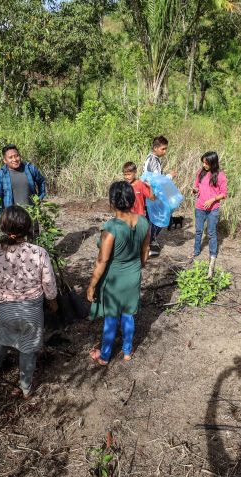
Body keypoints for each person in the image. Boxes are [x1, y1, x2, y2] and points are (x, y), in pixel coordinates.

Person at [0, 206, 58, 398]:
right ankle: (25, 386)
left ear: (2, 227)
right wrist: (52, 301)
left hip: (4, 309)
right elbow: (48, 281)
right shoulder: (39, 252)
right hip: (31, 310)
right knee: (28, 349)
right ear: (28, 228)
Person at [87, 181, 150, 365]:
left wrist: (92, 286)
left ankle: (105, 355)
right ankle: (127, 351)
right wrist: (139, 267)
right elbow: (145, 252)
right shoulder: (144, 222)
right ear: (132, 199)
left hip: (114, 278)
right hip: (133, 275)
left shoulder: (111, 228)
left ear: (112, 202)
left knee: (112, 317)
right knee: (129, 314)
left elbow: (102, 260)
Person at [191, 151, 228, 277]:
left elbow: (224, 194)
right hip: (200, 207)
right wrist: (194, 190)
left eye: (206, 163)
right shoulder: (200, 173)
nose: (204, 165)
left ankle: (213, 254)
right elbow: (196, 186)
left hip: (213, 209)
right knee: (198, 230)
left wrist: (212, 199)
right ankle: (196, 251)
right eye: (203, 162)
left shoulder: (220, 175)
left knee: (211, 232)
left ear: (213, 163)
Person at [0, 144, 46, 216]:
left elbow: (41, 181)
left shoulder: (30, 169)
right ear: (5, 160)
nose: (15, 159)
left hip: (31, 215)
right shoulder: (0, 175)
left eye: (16, 156)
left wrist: (40, 197)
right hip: (12, 217)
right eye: (10, 157)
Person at [142, 135, 172, 257]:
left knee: (150, 218)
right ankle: (148, 243)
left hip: (150, 193)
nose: (164, 152)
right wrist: (169, 176)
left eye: (165, 149)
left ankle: (147, 243)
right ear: (155, 148)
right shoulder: (153, 160)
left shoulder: (152, 158)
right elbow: (156, 181)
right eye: (163, 149)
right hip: (152, 193)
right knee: (157, 217)